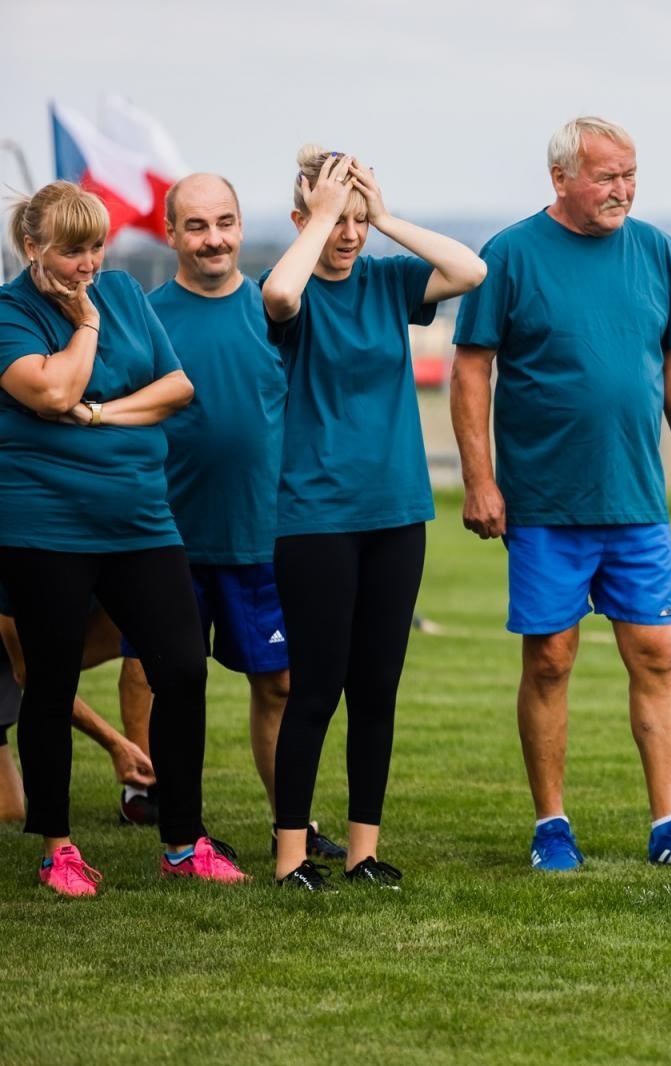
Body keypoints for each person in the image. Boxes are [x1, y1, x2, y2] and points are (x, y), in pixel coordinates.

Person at [451, 115, 671, 871]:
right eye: (607, 176)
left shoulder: (656, 251)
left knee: (659, 657)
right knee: (550, 661)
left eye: (631, 175)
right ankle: (551, 827)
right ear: (562, 178)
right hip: (543, 502)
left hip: (635, 499)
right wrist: (480, 480)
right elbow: (473, 368)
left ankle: (670, 823)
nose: (622, 191)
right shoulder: (508, 254)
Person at [0, 181, 246, 896]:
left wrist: (101, 415)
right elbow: (48, 391)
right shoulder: (11, 314)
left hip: (140, 519)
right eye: (70, 251)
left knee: (182, 670)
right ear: (32, 248)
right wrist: (85, 324)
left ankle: (183, 839)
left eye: (94, 249)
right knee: (50, 680)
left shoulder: (127, 294)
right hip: (44, 525)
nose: (86, 265)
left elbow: (176, 388)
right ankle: (58, 848)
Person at [262, 147, 485, 891]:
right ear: (303, 219)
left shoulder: (390, 282)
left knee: (376, 691)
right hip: (315, 518)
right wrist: (320, 217)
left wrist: (384, 215)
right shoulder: (290, 283)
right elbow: (280, 300)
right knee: (316, 688)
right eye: (337, 221)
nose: (351, 234)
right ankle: (291, 856)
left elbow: (470, 271)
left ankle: (362, 852)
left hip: (396, 513)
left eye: (360, 221)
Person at [117, 173, 346, 861]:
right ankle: (171, 816)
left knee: (278, 683)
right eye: (196, 225)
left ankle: (291, 827)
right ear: (171, 234)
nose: (213, 238)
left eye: (224, 222)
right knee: (166, 680)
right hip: (167, 539)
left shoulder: (277, 311)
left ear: (243, 227)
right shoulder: (147, 317)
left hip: (261, 537)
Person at [0, 599, 156, 822]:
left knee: (145, 633)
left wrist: (140, 759)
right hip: (17, 645)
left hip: (32, 639)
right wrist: (117, 746)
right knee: (9, 812)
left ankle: (141, 790)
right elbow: (32, 674)